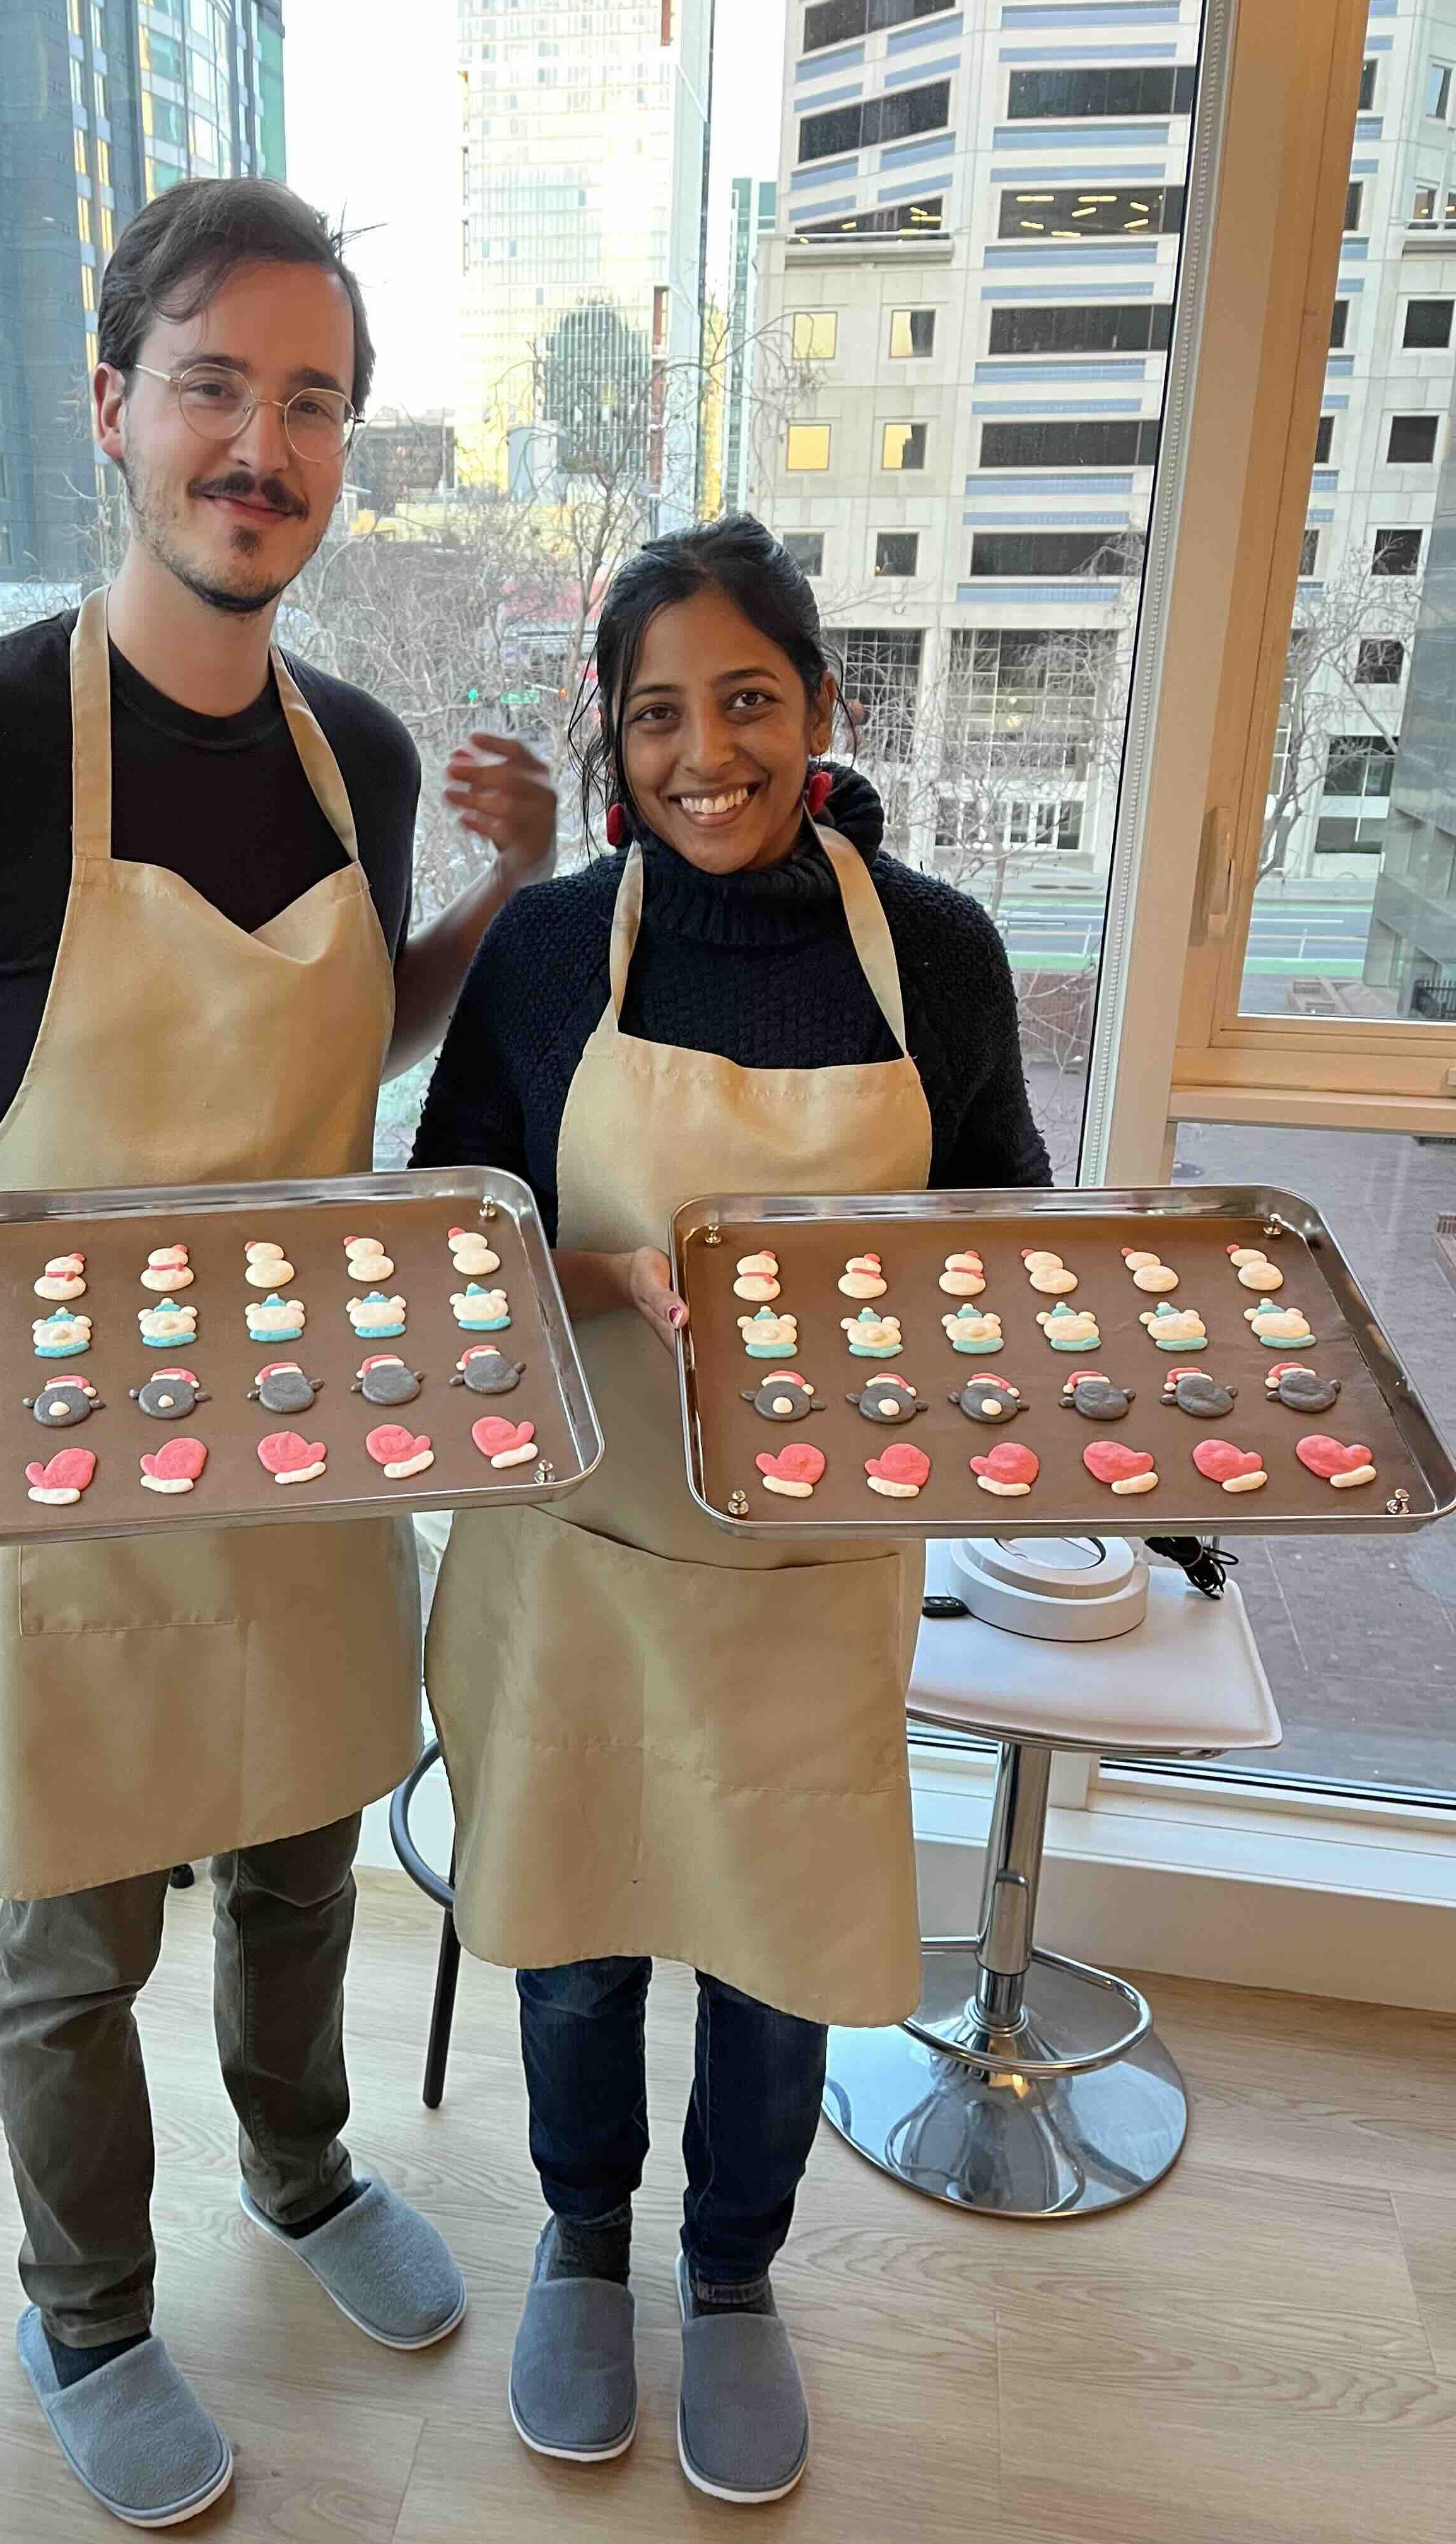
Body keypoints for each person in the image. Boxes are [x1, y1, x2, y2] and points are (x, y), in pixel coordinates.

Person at [0, 179, 557, 2530]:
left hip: (306, 1425)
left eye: (312, 402)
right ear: (114, 405)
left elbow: (345, 1046)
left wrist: (499, 896)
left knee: (304, 1861)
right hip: (59, 1450)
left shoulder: (353, 755)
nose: (259, 448)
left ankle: (299, 2172)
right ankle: (85, 2309)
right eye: (212, 385)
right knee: (72, 1933)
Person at [410, 514, 1048, 2506]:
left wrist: (900, 1318)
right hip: (584, 1551)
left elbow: (1005, 1226)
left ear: (824, 704)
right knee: (582, 1935)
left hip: (813, 1566)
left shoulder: (933, 950)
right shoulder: (544, 951)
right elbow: (450, 1243)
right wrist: (599, 1278)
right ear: (612, 737)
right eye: (660, 715)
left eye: (750, 700)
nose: (708, 755)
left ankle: (736, 2272)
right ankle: (583, 2240)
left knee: (773, 1954)